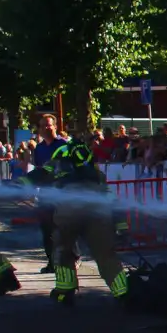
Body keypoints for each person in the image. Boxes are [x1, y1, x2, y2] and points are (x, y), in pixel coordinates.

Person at [20, 141, 129, 306]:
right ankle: (123, 294)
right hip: (99, 213)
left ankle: (65, 292)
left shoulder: (59, 168)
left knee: (63, 251)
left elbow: (39, 175)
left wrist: (20, 182)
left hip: (68, 213)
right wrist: (121, 226)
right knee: (106, 256)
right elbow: (113, 201)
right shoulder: (98, 176)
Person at [32, 114, 69, 273]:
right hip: (45, 195)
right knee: (47, 231)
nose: (46, 128)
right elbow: (38, 170)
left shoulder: (63, 145)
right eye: (42, 126)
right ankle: (52, 262)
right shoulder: (39, 148)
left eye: (48, 125)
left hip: (62, 194)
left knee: (64, 229)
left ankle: (71, 259)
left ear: (55, 126)